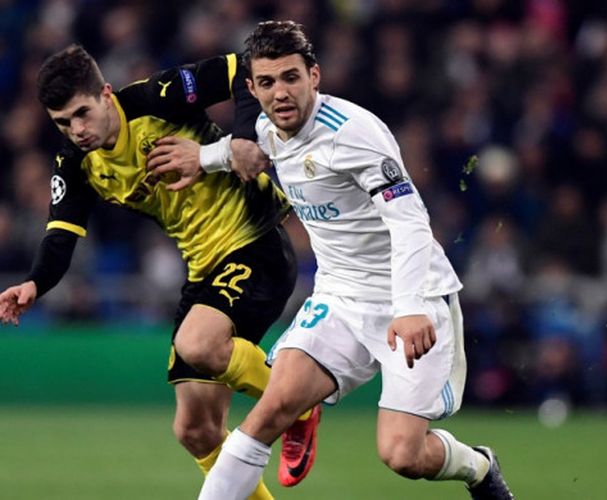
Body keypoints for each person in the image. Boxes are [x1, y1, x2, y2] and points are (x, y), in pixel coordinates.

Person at [148, 21, 514, 499]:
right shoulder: (265, 126)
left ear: (314, 76)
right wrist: (205, 157)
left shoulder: (355, 134)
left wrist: (408, 306)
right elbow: (253, 153)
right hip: (340, 298)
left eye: (291, 78)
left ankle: (479, 467)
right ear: (253, 89)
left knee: (402, 455)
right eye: (267, 82)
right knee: (268, 412)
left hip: (412, 296)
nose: (280, 93)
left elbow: (409, 222)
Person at [0, 44, 321, 498]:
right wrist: (35, 282)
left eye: (82, 114)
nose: (77, 131)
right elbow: (60, 236)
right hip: (203, 269)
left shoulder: (158, 97)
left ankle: (300, 403)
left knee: (199, 342)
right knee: (195, 428)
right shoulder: (75, 166)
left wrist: (244, 139)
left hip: (256, 242)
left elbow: (241, 70)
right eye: (63, 123)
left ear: (106, 94)